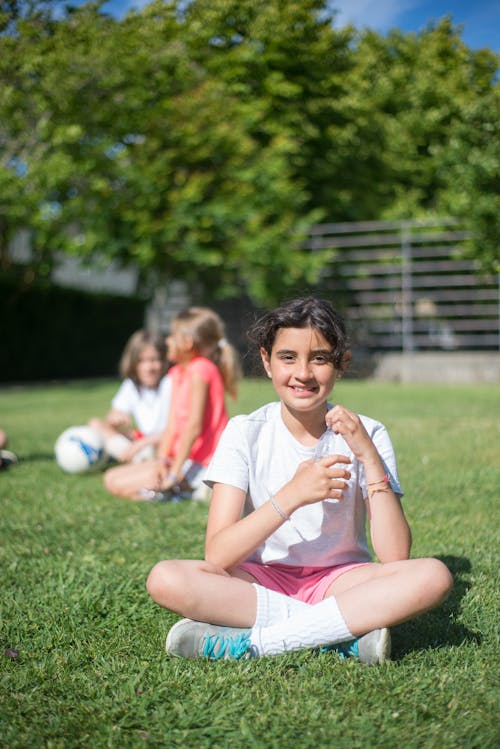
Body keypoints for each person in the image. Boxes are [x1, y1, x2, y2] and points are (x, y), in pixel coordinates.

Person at [146, 297, 453, 663]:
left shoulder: (367, 432)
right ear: (266, 360)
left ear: (341, 364)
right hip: (259, 581)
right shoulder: (244, 432)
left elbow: (394, 556)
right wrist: (291, 496)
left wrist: (369, 458)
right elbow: (219, 553)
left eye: (320, 358)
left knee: (433, 575)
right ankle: (338, 635)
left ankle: (259, 644)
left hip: (341, 582)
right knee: (166, 578)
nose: (303, 373)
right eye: (288, 357)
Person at [103, 307, 241, 501]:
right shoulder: (176, 373)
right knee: (110, 478)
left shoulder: (201, 369)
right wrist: (162, 460)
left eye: (172, 336)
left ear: (187, 343)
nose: (167, 341)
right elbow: (172, 426)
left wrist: (173, 473)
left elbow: (193, 427)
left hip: (202, 462)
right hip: (180, 459)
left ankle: (183, 488)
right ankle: (174, 491)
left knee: (121, 484)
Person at [89, 330, 171, 464]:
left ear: (164, 361)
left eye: (154, 360)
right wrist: (115, 420)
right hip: (144, 441)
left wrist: (140, 444)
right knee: (96, 424)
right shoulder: (131, 385)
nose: (149, 367)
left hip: (164, 442)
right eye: (142, 361)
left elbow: (177, 430)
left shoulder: (170, 382)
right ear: (133, 363)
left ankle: (140, 458)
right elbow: (113, 415)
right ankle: (139, 458)